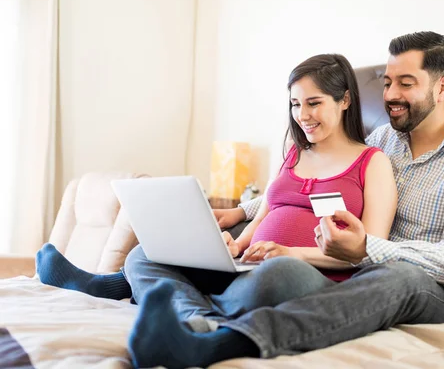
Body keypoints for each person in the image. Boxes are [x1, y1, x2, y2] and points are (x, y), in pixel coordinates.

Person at [118, 31, 444, 369]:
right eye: (388, 82)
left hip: (436, 286)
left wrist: (370, 249)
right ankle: (192, 316)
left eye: (405, 83)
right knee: (149, 253)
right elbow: (319, 187)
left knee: (401, 275)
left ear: (442, 87)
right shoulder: (381, 141)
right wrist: (243, 211)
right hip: (364, 269)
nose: (390, 94)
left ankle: (220, 342)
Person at [34, 54, 398, 363]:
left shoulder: (372, 162)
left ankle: (161, 299)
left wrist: (292, 254)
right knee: (146, 254)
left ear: (345, 100)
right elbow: (268, 211)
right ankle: (195, 317)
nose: (302, 114)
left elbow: (369, 250)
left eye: (314, 102)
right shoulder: (294, 153)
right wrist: (236, 246)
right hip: (249, 265)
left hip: (306, 275)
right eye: (295, 104)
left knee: (277, 276)